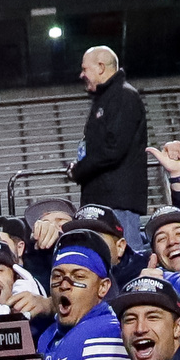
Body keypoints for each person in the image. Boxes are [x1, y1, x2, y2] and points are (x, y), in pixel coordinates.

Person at [70, 47, 148, 231]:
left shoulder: (123, 96)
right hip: (107, 198)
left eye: (85, 69)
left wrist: (80, 170)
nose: (81, 75)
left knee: (127, 255)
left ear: (101, 67)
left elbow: (112, 149)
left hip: (117, 202)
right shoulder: (107, 98)